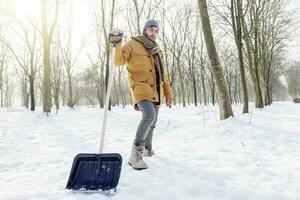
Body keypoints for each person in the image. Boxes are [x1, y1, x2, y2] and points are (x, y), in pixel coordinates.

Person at [109, 19, 173, 170]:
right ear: (145, 30)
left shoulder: (157, 50)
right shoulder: (133, 44)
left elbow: (164, 75)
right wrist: (116, 42)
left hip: (156, 90)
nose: (154, 33)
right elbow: (118, 60)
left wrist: (168, 94)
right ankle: (135, 154)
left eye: (156, 31)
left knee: (153, 121)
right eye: (151, 30)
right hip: (140, 88)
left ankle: (147, 149)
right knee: (149, 116)